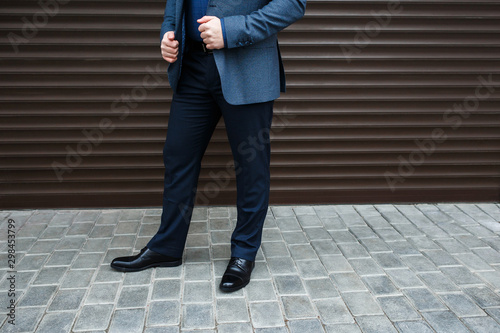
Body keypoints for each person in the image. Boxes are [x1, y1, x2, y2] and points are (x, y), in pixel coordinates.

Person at [111, 0, 307, 292]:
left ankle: (244, 253)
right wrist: (168, 33)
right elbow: (175, 6)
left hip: (247, 65)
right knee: (178, 156)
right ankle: (167, 247)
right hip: (191, 67)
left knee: (251, 165)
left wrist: (229, 30)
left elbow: (292, 4)